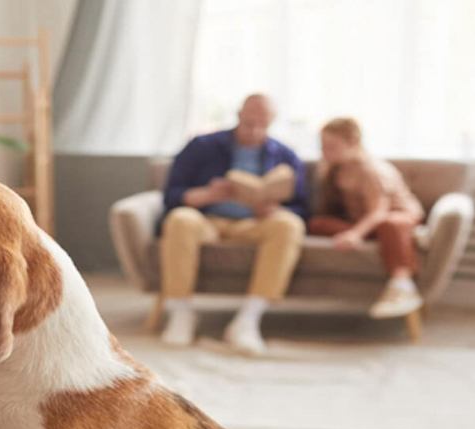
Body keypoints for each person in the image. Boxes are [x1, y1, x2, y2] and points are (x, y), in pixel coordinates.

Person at [158, 93, 307, 354]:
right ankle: (181, 312)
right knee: (180, 219)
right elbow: (172, 195)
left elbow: (303, 208)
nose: (255, 129)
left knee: (289, 225)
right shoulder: (202, 145)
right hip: (207, 220)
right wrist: (208, 194)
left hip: (254, 224)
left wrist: (274, 208)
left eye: (262, 123)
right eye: (250, 122)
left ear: (272, 121)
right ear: (239, 115)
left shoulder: (285, 155)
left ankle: (248, 319)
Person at [309, 117, 425, 318]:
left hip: (394, 217)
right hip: (365, 222)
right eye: (322, 146)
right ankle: (388, 240)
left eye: (331, 146)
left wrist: (355, 234)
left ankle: (402, 284)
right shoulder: (336, 168)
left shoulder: (372, 170)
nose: (325, 151)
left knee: (389, 224)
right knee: (317, 224)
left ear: (353, 144)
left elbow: (379, 212)